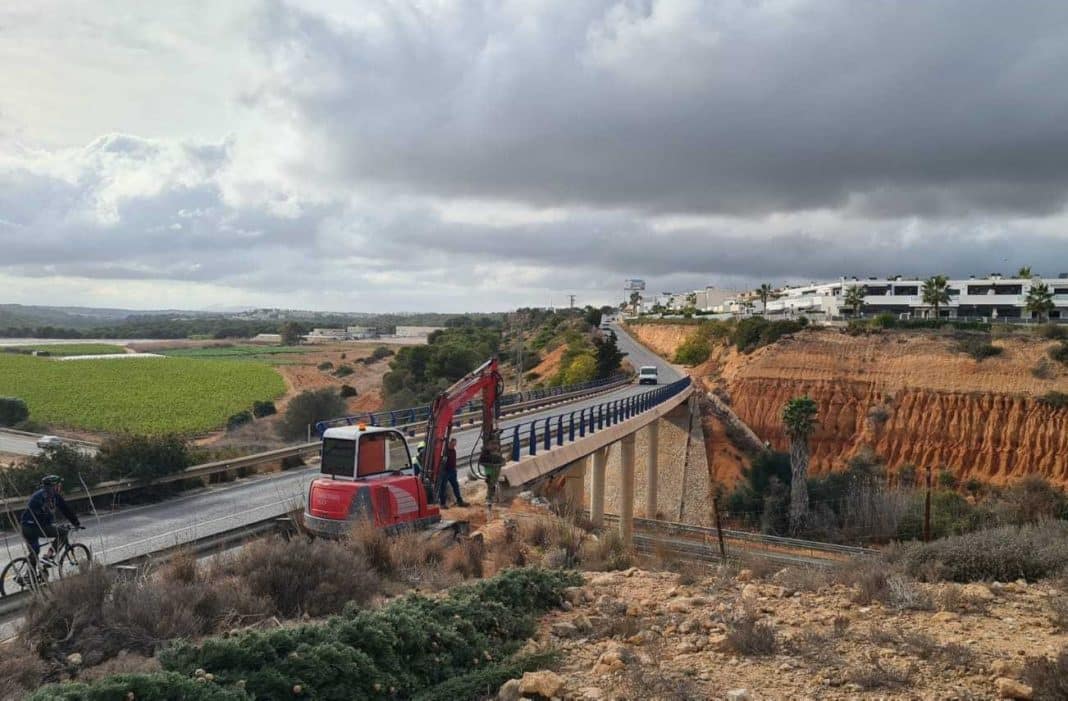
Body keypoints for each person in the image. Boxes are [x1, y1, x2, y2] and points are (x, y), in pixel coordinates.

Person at [21, 474, 81, 569]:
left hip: (25, 527)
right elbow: (66, 510)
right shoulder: (53, 496)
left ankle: (30, 577)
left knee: (35, 551)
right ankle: (49, 556)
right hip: (36, 527)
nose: (60, 487)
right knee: (63, 533)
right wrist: (76, 523)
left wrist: (52, 524)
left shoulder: (39, 494)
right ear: (54, 486)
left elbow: (41, 514)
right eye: (59, 485)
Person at [437, 437, 466, 508]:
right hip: (445, 471)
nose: (454, 446)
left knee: (455, 485)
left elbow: (453, 461)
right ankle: (442, 503)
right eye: (452, 445)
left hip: (452, 471)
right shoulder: (444, 452)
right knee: (442, 487)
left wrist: (454, 468)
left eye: (454, 445)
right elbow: (442, 462)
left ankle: (459, 500)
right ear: (449, 444)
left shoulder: (453, 451)